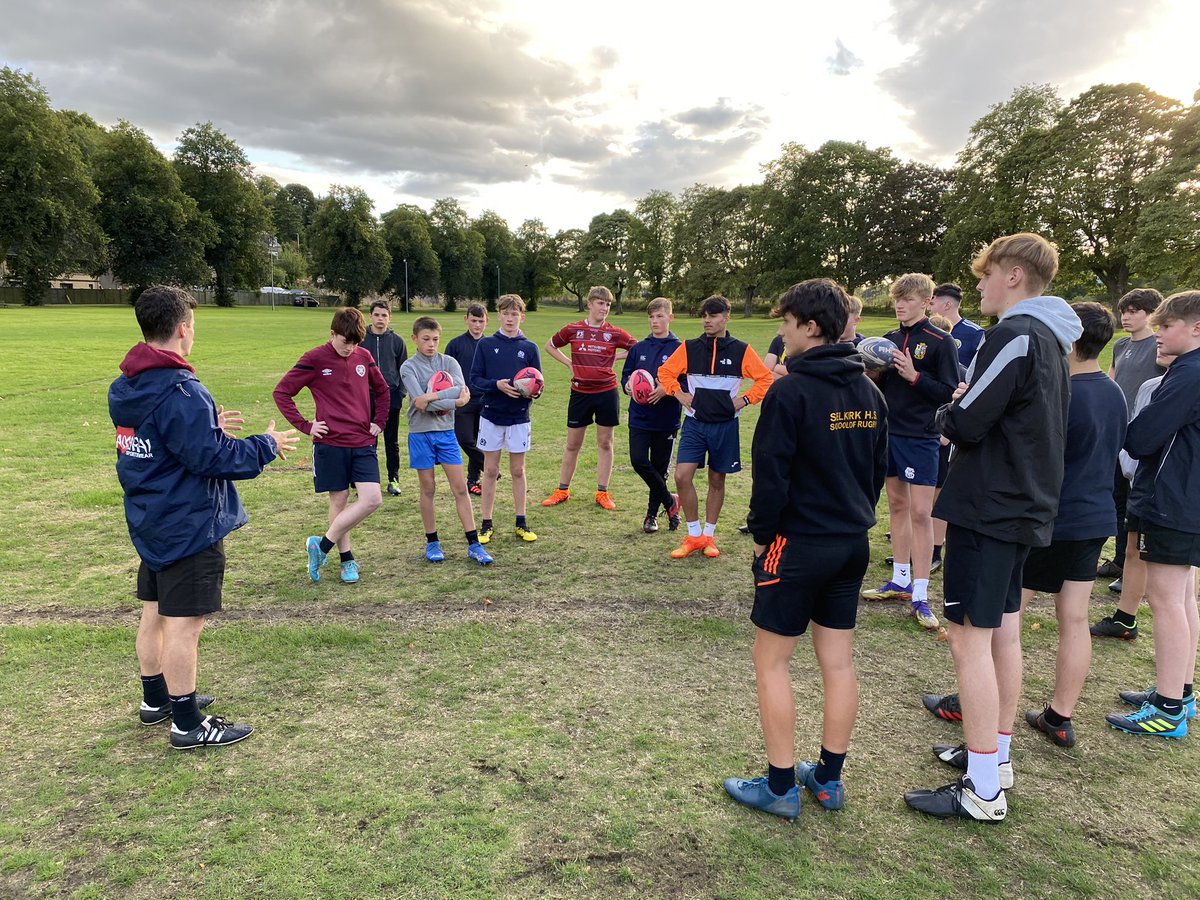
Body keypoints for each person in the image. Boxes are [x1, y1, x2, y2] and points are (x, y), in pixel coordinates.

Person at [904, 233, 1080, 823]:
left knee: (969, 640)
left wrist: (949, 411)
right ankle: (994, 758)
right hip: (1019, 505)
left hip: (993, 506)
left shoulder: (1016, 333)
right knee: (1002, 634)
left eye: (984, 276)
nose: (977, 286)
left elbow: (969, 420)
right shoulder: (1051, 339)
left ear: (1012, 275)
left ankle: (983, 790)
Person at [923, 303, 1126, 753]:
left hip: (1021, 514)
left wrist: (958, 407)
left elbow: (975, 427)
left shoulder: (1033, 358)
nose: (979, 285)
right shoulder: (1105, 389)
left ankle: (984, 767)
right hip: (1075, 516)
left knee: (979, 636)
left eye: (987, 273)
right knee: (1042, 625)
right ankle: (1029, 733)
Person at [722, 279, 887, 820]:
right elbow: (875, 474)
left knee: (771, 662)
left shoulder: (789, 390)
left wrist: (764, 536)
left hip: (796, 544)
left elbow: (771, 479)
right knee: (837, 663)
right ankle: (829, 779)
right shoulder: (870, 391)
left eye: (787, 322)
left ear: (811, 327)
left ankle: (779, 786)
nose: (781, 331)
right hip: (850, 544)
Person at [111, 285, 298, 749]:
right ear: (181, 329)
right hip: (186, 523)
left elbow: (162, 441)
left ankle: (157, 700)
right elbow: (213, 459)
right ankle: (188, 723)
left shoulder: (128, 384)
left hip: (151, 517)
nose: (193, 333)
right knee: (184, 623)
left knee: (154, 611)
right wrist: (265, 446)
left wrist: (204, 421)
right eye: (192, 325)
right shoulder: (180, 390)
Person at [1105, 290, 1200, 739]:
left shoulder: (1189, 373)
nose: (1159, 334)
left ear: (1195, 328)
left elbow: (1143, 436)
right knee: (1182, 597)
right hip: (1182, 498)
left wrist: (1125, 432)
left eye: (1167, 326)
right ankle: (1179, 692)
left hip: (1171, 500)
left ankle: (1167, 709)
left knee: (1166, 600)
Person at [860, 274, 960, 631]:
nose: (901, 304)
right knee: (897, 506)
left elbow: (948, 391)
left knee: (921, 512)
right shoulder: (887, 340)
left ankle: (921, 593)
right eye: (898, 298)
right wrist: (871, 373)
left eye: (909, 298)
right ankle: (899, 580)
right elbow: (881, 386)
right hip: (889, 433)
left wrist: (915, 376)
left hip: (921, 436)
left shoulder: (941, 342)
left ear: (927, 302)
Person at [275, 307, 389, 584]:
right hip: (331, 443)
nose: (350, 348)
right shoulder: (314, 358)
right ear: (332, 334)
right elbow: (282, 392)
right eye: (345, 341)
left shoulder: (364, 356)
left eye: (355, 343)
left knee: (372, 499)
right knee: (339, 501)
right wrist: (306, 425)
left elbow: (384, 390)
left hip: (362, 441)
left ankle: (321, 545)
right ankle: (346, 561)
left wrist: (379, 421)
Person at [656, 295, 773, 559]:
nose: (707, 320)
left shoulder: (741, 350)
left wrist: (743, 400)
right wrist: (679, 393)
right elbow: (665, 372)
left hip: (725, 426)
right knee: (681, 476)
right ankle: (693, 534)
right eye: (704, 315)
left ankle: (709, 536)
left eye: (713, 315)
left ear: (726, 318)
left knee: (716, 479)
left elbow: (764, 379)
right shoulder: (689, 347)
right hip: (695, 424)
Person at [1091, 288, 1166, 603]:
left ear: (1150, 314)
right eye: (1124, 310)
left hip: (1143, 435)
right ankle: (1120, 560)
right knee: (1116, 499)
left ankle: (1132, 571)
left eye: (1135, 310)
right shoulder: (1120, 344)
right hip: (1118, 433)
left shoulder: (1158, 347)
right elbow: (1110, 380)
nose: (1127, 316)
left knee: (1133, 506)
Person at [400, 316, 493, 565]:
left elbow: (459, 390)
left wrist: (431, 397)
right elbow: (419, 404)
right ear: (415, 339)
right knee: (428, 489)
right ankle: (432, 542)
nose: (431, 344)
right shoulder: (408, 367)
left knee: (460, 488)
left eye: (435, 339)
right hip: (420, 434)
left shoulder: (449, 362)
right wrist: (454, 402)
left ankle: (474, 544)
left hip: (446, 433)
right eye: (426, 339)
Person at [542, 285, 637, 510]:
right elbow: (550, 345)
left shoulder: (614, 333)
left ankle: (602, 492)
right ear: (590, 304)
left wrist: (617, 357)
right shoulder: (573, 329)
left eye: (608, 304)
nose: (604, 308)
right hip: (580, 393)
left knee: (605, 442)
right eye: (600, 303)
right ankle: (562, 490)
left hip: (607, 392)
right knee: (573, 444)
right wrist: (568, 363)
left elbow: (638, 348)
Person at [469, 294, 541, 545]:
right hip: (491, 415)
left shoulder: (529, 347)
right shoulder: (486, 345)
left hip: (519, 417)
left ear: (522, 316)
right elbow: (475, 379)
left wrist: (532, 390)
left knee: (518, 470)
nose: (510, 318)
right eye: (506, 313)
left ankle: (521, 521)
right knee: (490, 470)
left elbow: (539, 384)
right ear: (498, 315)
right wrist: (496, 385)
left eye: (515, 314)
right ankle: (486, 524)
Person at [928, 283, 984, 571]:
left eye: (932, 301)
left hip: (954, 415)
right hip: (931, 412)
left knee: (942, 486)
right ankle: (926, 541)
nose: (929, 306)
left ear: (946, 304)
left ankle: (936, 547)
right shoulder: (924, 333)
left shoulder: (974, 334)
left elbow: (975, 379)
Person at [620, 297, 683, 534]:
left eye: (659, 316)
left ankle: (650, 516)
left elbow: (685, 381)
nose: (655, 321)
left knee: (659, 467)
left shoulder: (679, 349)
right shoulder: (639, 348)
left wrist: (666, 389)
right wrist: (627, 385)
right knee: (638, 461)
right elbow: (626, 376)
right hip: (639, 416)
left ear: (670, 317)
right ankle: (670, 502)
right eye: (651, 317)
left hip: (666, 419)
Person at [362, 300, 408, 497]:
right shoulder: (361, 339)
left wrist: (400, 394)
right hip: (365, 398)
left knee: (391, 441)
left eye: (384, 315)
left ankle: (393, 479)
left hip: (390, 398)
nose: (380, 319)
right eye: (377, 315)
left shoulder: (397, 341)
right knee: (367, 441)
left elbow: (404, 370)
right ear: (370, 316)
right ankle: (365, 480)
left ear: (390, 317)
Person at [445, 303, 489, 495]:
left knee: (481, 442)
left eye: (481, 321)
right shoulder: (455, 345)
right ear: (466, 320)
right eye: (473, 320)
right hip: (463, 400)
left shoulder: (490, 345)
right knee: (465, 439)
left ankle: (473, 480)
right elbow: (444, 374)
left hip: (486, 400)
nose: (477, 325)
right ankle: (490, 468)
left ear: (486, 322)